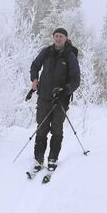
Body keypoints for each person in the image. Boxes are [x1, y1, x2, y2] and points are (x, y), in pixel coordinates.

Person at [29, 27, 80, 174]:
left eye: (61, 36)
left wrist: (65, 90)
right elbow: (35, 66)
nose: (58, 39)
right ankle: (38, 158)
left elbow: (76, 80)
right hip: (44, 97)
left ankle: (52, 158)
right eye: (56, 36)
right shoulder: (46, 52)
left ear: (65, 38)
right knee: (41, 128)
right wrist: (34, 79)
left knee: (57, 129)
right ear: (53, 37)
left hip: (61, 101)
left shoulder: (70, 56)